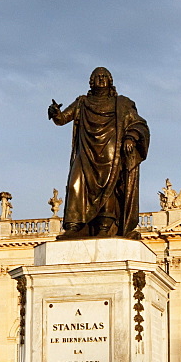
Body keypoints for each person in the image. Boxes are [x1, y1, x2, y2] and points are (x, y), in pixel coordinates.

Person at [48, 66, 149, 240]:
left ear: (110, 80)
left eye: (104, 76)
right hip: (86, 150)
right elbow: (62, 119)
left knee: (108, 185)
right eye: (97, 76)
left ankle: (105, 224)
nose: (100, 79)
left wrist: (131, 137)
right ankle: (74, 225)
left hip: (111, 149)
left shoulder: (122, 103)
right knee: (75, 183)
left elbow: (139, 123)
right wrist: (55, 113)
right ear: (91, 81)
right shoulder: (82, 102)